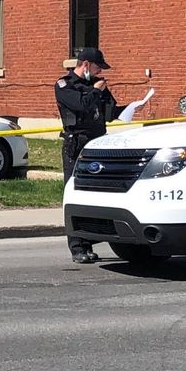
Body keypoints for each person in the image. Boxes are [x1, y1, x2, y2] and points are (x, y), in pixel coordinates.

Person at [56, 47, 122, 264]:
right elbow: (80, 105)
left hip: (97, 144)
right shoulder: (65, 85)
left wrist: (118, 102)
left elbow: (109, 113)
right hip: (77, 145)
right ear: (85, 64)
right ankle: (77, 246)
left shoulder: (94, 86)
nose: (98, 72)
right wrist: (95, 91)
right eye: (96, 67)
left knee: (97, 192)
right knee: (75, 192)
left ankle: (91, 238)